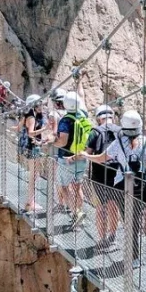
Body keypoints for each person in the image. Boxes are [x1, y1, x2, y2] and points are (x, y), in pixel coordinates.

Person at [79, 110, 146, 267]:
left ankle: (132, 255)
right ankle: (133, 256)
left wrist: (86, 155)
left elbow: (101, 159)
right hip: (144, 188)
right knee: (134, 219)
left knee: (129, 220)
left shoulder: (117, 143)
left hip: (121, 188)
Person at [84, 104, 122, 250]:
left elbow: (88, 152)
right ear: (112, 116)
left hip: (99, 175)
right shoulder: (121, 131)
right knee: (113, 205)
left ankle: (102, 239)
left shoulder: (95, 132)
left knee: (100, 208)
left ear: (99, 118)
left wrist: (81, 155)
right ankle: (112, 236)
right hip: (117, 174)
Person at [53, 92, 91, 226]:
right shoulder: (84, 117)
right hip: (81, 157)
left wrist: (53, 142)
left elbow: (62, 142)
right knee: (77, 187)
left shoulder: (66, 120)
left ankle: (76, 213)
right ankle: (80, 212)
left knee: (64, 186)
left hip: (66, 158)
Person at [17, 94, 45, 213]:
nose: (42, 106)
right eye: (40, 104)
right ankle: (30, 203)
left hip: (28, 147)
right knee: (34, 175)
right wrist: (44, 129)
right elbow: (31, 133)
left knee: (34, 174)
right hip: (32, 147)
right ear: (35, 105)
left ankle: (30, 202)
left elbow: (18, 128)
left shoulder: (26, 115)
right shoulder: (32, 117)